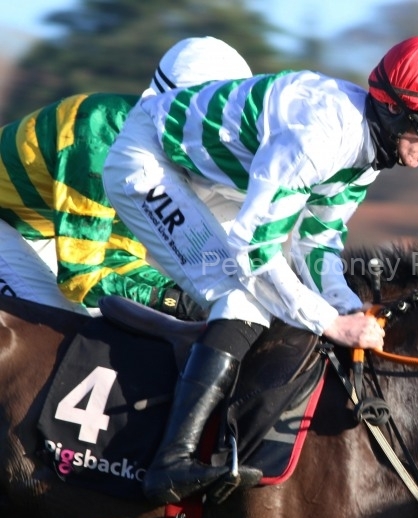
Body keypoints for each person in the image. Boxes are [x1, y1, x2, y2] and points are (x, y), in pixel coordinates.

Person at [103, 35, 418, 503]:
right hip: (149, 163)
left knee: (276, 295)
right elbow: (255, 251)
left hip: (209, 179)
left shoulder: (366, 153)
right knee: (242, 296)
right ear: (394, 110)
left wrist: (353, 309)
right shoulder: (321, 138)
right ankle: (171, 461)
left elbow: (316, 243)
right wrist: (331, 323)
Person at [0, 36, 252, 318]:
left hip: (39, 228)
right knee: (62, 328)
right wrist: (174, 301)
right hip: (12, 227)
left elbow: (118, 255)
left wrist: (178, 296)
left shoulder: (153, 153)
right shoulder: (101, 141)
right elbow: (80, 279)